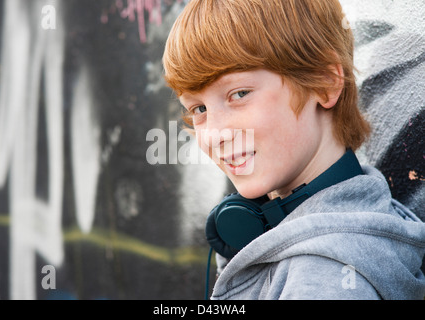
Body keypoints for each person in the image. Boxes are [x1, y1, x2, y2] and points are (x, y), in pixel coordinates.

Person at [162, 0, 425, 300]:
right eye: (199, 108)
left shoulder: (323, 282)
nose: (214, 135)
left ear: (325, 84)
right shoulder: (368, 211)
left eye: (239, 94)